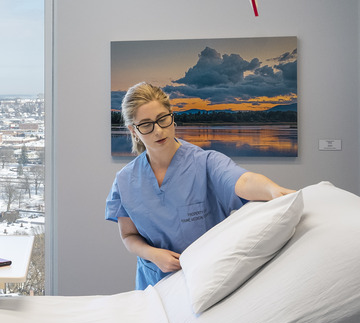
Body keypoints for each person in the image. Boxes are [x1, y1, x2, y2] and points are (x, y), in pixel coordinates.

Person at [106, 82, 294, 289]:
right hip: (154, 283)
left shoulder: (205, 162)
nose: (158, 130)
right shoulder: (125, 180)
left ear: (172, 116)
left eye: (162, 119)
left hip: (207, 280)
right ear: (133, 130)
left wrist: (275, 191)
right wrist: (153, 254)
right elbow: (128, 235)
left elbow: (244, 180)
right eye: (147, 124)